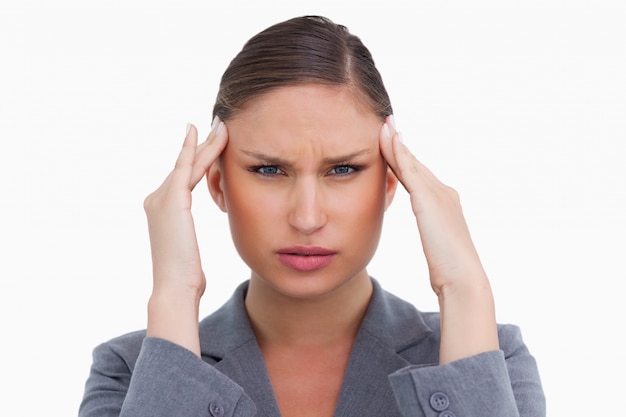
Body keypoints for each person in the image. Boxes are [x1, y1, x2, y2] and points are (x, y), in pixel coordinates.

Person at [79, 15, 545, 417]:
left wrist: (464, 287)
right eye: (268, 169)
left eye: (343, 169)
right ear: (217, 184)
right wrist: (176, 291)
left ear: (391, 182)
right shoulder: (130, 368)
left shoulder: (489, 355)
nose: (306, 217)